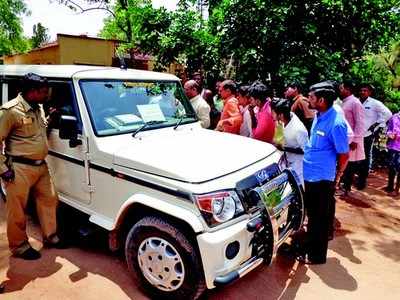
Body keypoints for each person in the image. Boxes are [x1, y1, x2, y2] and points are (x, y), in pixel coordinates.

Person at [0, 73, 65, 260]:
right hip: (19, 168)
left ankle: (51, 236)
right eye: (44, 91)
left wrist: (50, 119)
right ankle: (19, 246)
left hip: (40, 166)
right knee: (17, 209)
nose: (47, 94)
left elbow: (38, 129)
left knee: (50, 199)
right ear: (32, 92)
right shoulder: (11, 111)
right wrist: (3, 169)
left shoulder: (38, 107)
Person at [300, 81, 349, 264]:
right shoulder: (319, 115)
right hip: (310, 175)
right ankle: (310, 247)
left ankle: (317, 256)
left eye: (311, 97)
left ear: (321, 100)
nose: (308, 100)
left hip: (323, 178)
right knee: (313, 216)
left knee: (320, 218)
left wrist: (338, 176)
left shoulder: (336, 123)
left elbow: (344, 154)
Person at [358, 83, 392, 190]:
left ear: (369, 92)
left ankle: (362, 180)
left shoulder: (375, 103)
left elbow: (388, 114)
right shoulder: (356, 101)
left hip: (367, 134)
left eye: (365, 90)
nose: (363, 92)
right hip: (356, 134)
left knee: (366, 156)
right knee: (354, 156)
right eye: (361, 90)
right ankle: (351, 177)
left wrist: (377, 124)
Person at [271, 98, 308, 185]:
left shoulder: (298, 129)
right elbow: (278, 139)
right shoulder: (281, 121)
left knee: (298, 185)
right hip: (286, 160)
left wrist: (285, 148)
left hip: (298, 163)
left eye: (274, 112)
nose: (272, 114)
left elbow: (306, 150)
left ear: (281, 115)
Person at [339, 81, 366, 194]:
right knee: (343, 162)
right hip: (344, 138)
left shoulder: (355, 103)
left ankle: (347, 188)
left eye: (341, 88)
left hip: (352, 140)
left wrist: (355, 140)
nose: (339, 90)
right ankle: (342, 185)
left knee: (349, 164)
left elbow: (360, 123)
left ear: (347, 89)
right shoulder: (343, 102)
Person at [386, 112, 400, 196]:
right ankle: (390, 186)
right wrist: (390, 135)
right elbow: (389, 130)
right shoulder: (394, 117)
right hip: (393, 146)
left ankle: (397, 189)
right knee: (391, 166)